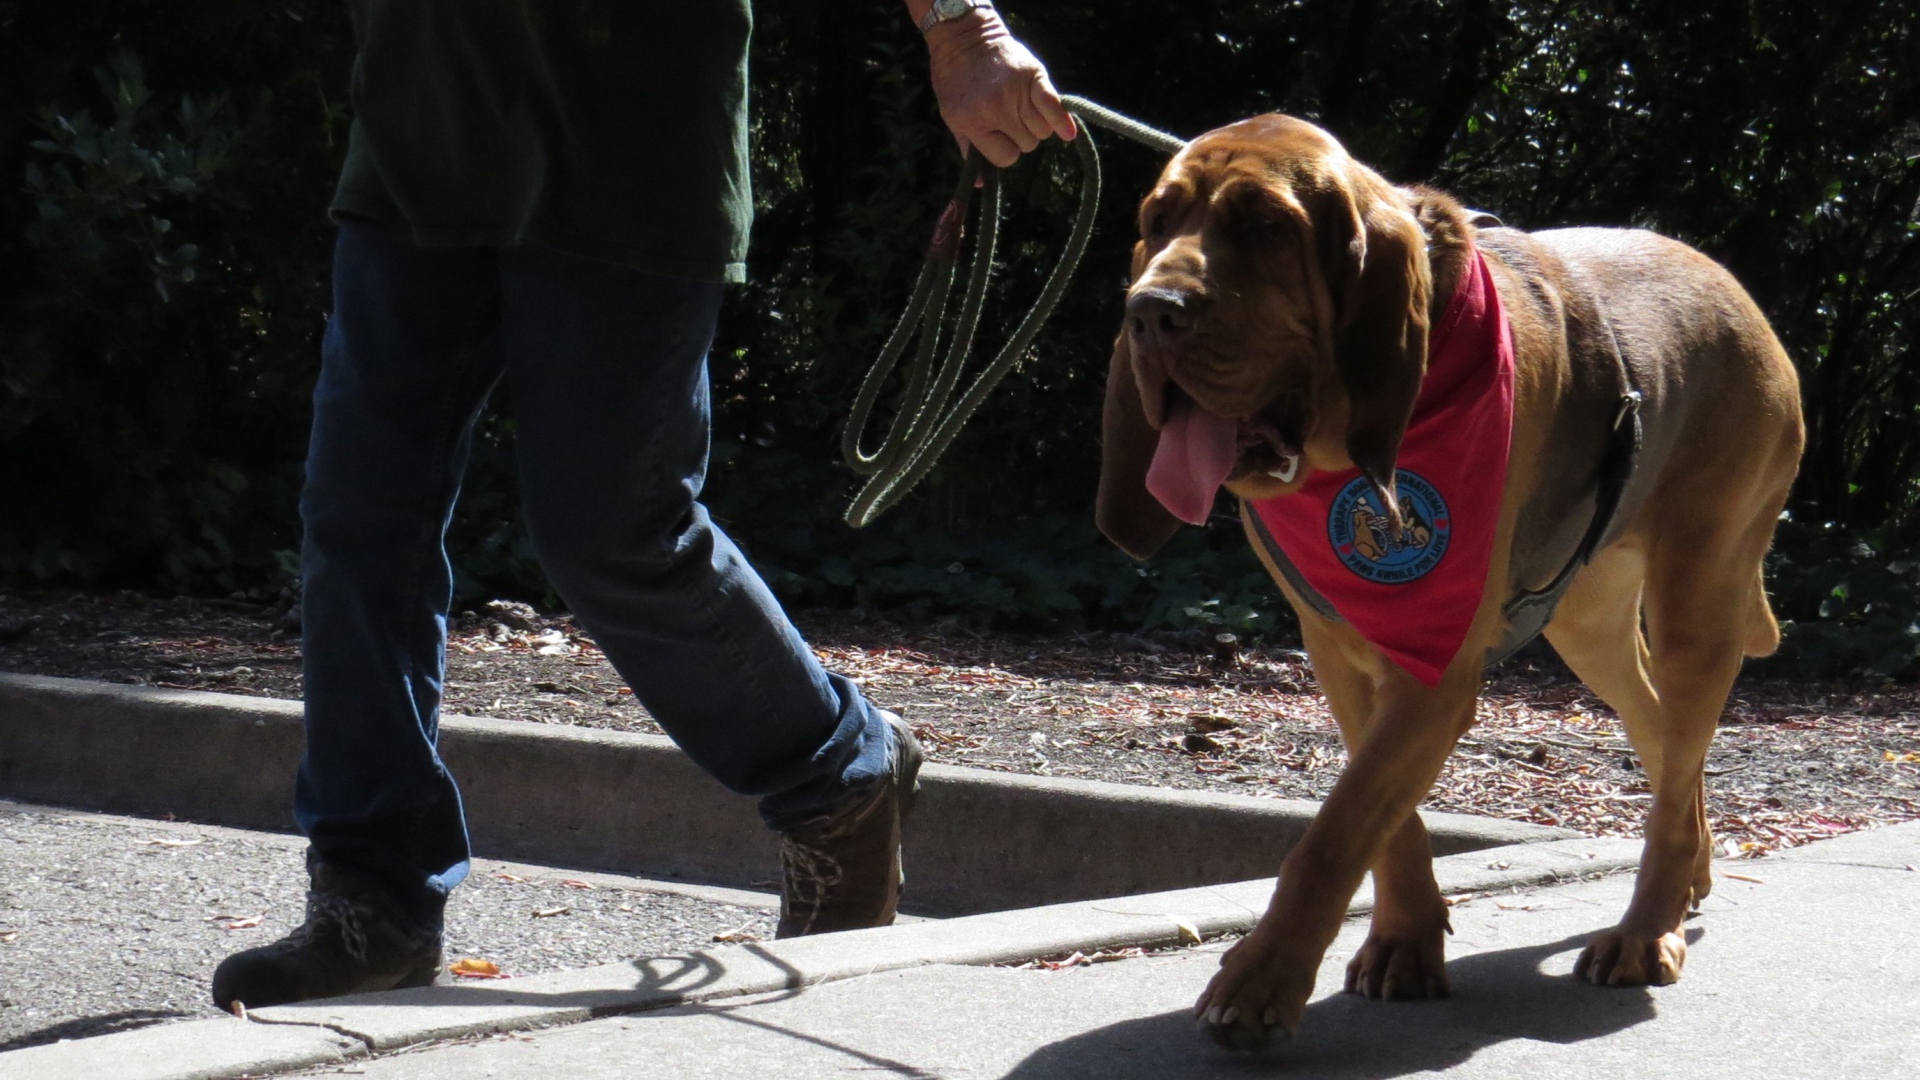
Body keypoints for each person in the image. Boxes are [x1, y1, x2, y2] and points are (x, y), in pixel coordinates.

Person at [212, 0, 1075, 1010]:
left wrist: (961, 29)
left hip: (631, 142)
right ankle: (375, 896)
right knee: (357, 516)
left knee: (613, 531)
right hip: (422, 123)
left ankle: (840, 777)